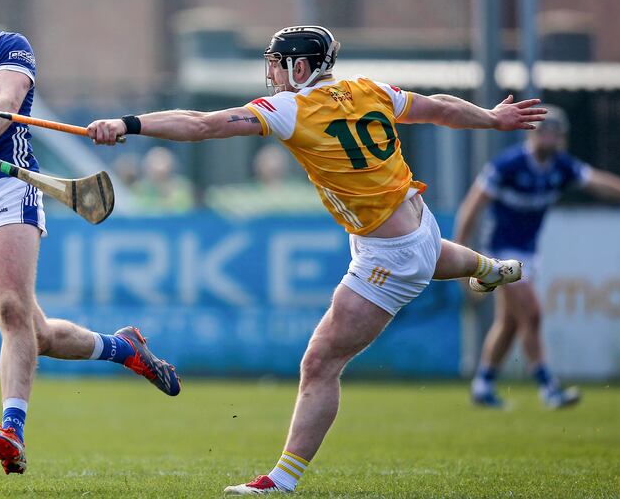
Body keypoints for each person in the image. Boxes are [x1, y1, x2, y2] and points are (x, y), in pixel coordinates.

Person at [86, 25, 544, 494]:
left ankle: (280, 481)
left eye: (276, 63)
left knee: (320, 362)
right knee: (429, 255)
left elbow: (201, 124)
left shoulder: (290, 108)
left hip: (391, 253)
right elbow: (439, 107)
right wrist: (491, 118)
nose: (271, 73)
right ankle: (486, 268)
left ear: (299, 67)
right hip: (417, 223)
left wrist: (129, 123)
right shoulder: (369, 88)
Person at [0, 0, 180, 475]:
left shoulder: (10, 45)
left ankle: (12, 430)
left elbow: (7, 100)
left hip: (9, 184)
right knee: (36, 332)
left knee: (11, 312)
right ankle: (123, 348)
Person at [454, 105, 620, 409]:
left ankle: (483, 385)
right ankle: (549, 388)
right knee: (531, 313)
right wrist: (460, 252)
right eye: (543, 130)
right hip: (499, 252)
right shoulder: (508, 165)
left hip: (529, 254)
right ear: (531, 134)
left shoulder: (561, 167)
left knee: (510, 322)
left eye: (555, 132)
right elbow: (472, 206)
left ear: (562, 138)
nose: (548, 137)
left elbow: (597, 182)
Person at [204, 143, 322, 216]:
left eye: (276, 159)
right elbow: (215, 197)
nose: (272, 165)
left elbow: (321, 203)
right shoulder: (249, 192)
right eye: (267, 160)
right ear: (257, 165)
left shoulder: (298, 190)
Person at [131, 146, 194, 213]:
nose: (160, 168)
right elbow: (137, 207)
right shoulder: (140, 188)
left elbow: (185, 206)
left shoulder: (182, 185)